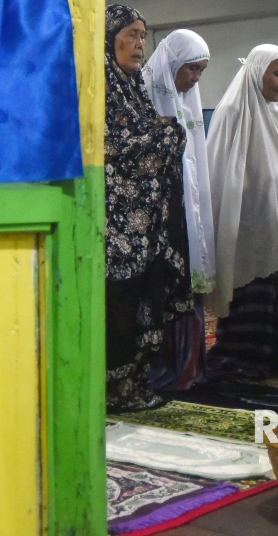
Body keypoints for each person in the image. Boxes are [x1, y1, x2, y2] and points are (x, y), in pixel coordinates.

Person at [205, 44, 278, 381]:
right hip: (246, 223)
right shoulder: (232, 111)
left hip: (276, 220)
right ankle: (245, 356)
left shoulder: (274, 113)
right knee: (252, 289)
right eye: (277, 74)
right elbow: (220, 173)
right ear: (258, 73)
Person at [103, 4, 194, 411]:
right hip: (114, 229)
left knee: (145, 298)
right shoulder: (96, 88)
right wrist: (163, 135)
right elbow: (106, 147)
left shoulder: (135, 89)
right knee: (118, 302)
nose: (140, 43)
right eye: (131, 35)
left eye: (143, 35)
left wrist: (163, 133)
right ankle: (112, 387)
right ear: (109, 39)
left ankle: (134, 381)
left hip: (147, 229)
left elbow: (143, 135)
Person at [142, 30, 214, 391]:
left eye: (201, 70)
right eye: (192, 69)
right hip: (155, 219)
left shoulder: (189, 103)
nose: (196, 78)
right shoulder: (144, 96)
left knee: (188, 286)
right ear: (172, 65)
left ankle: (189, 367)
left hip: (185, 215)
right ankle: (163, 367)